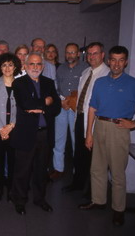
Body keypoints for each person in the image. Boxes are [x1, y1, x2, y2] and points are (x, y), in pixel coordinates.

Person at [80, 46, 135, 226]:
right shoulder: (100, 82)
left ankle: (118, 210)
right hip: (99, 126)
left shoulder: (133, 84)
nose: (116, 64)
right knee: (97, 168)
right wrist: (89, 134)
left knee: (117, 173)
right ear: (108, 60)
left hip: (118, 129)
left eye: (121, 60)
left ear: (126, 62)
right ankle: (99, 201)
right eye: (113, 59)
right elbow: (92, 107)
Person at [10, 53, 61, 215]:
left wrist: (38, 107)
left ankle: (40, 199)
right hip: (26, 133)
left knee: (41, 170)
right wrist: (45, 102)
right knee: (22, 170)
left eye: (38, 64)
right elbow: (25, 103)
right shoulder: (18, 83)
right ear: (25, 66)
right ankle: (19, 200)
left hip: (44, 134)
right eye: (31, 64)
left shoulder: (49, 82)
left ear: (43, 66)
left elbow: (57, 108)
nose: (35, 67)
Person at [63, 42, 110, 194]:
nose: (91, 57)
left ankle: (92, 192)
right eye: (89, 54)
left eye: (95, 53)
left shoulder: (107, 75)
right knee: (79, 154)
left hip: (96, 121)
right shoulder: (86, 73)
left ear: (102, 55)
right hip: (81, 117)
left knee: (94, 158)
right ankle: (77, 183)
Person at [50, 43, 88, 179]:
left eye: (73, 52)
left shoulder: (85, 68)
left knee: (75, 140)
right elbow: (57, 87)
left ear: (78, 54)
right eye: (67, 52)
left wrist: (72, 101)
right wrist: (61, 101)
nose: (70, 55)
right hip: (61, 107)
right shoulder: (60, 68)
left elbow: (86, 90)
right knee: (59, 140)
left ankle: (77, 170)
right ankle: (58, 169)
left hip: (76, 109)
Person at [0, 53, 20, 202]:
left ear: (15, 67)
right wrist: (1, 129)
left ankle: (11, 189)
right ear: (0, 67)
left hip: (14, 129)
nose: (7, 68)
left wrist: (10, 126)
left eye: (10, 65)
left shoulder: (21, 84)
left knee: (13, 161)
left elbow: (21, 108)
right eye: (4, 65)